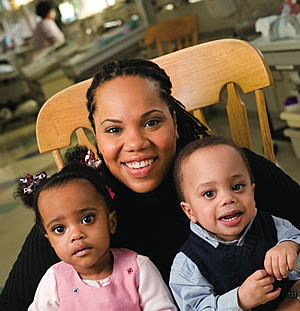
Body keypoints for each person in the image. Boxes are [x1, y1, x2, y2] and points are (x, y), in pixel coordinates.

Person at [1, 59, 300, 311]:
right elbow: (13, 302)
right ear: (96, 136)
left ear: (172, 118)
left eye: (151, 122)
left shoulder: (221, 170)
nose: (135, 143)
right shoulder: (81, 204)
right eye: (114, 129)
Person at [16, 150, 176, 310]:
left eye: (87, 219)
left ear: (111, 222)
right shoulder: (54, 281)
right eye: (59, 229)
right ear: (49, 240)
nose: (76, 235)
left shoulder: (138, 269)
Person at [170, 136, 300, 310]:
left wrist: (289, 245)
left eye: (237, 186)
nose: (227, 198)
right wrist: (240, 299)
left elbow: (295, 239)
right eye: (209, 194)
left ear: (252, 192)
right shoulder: (188, 264)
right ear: (190, 211)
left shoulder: (272, 225)